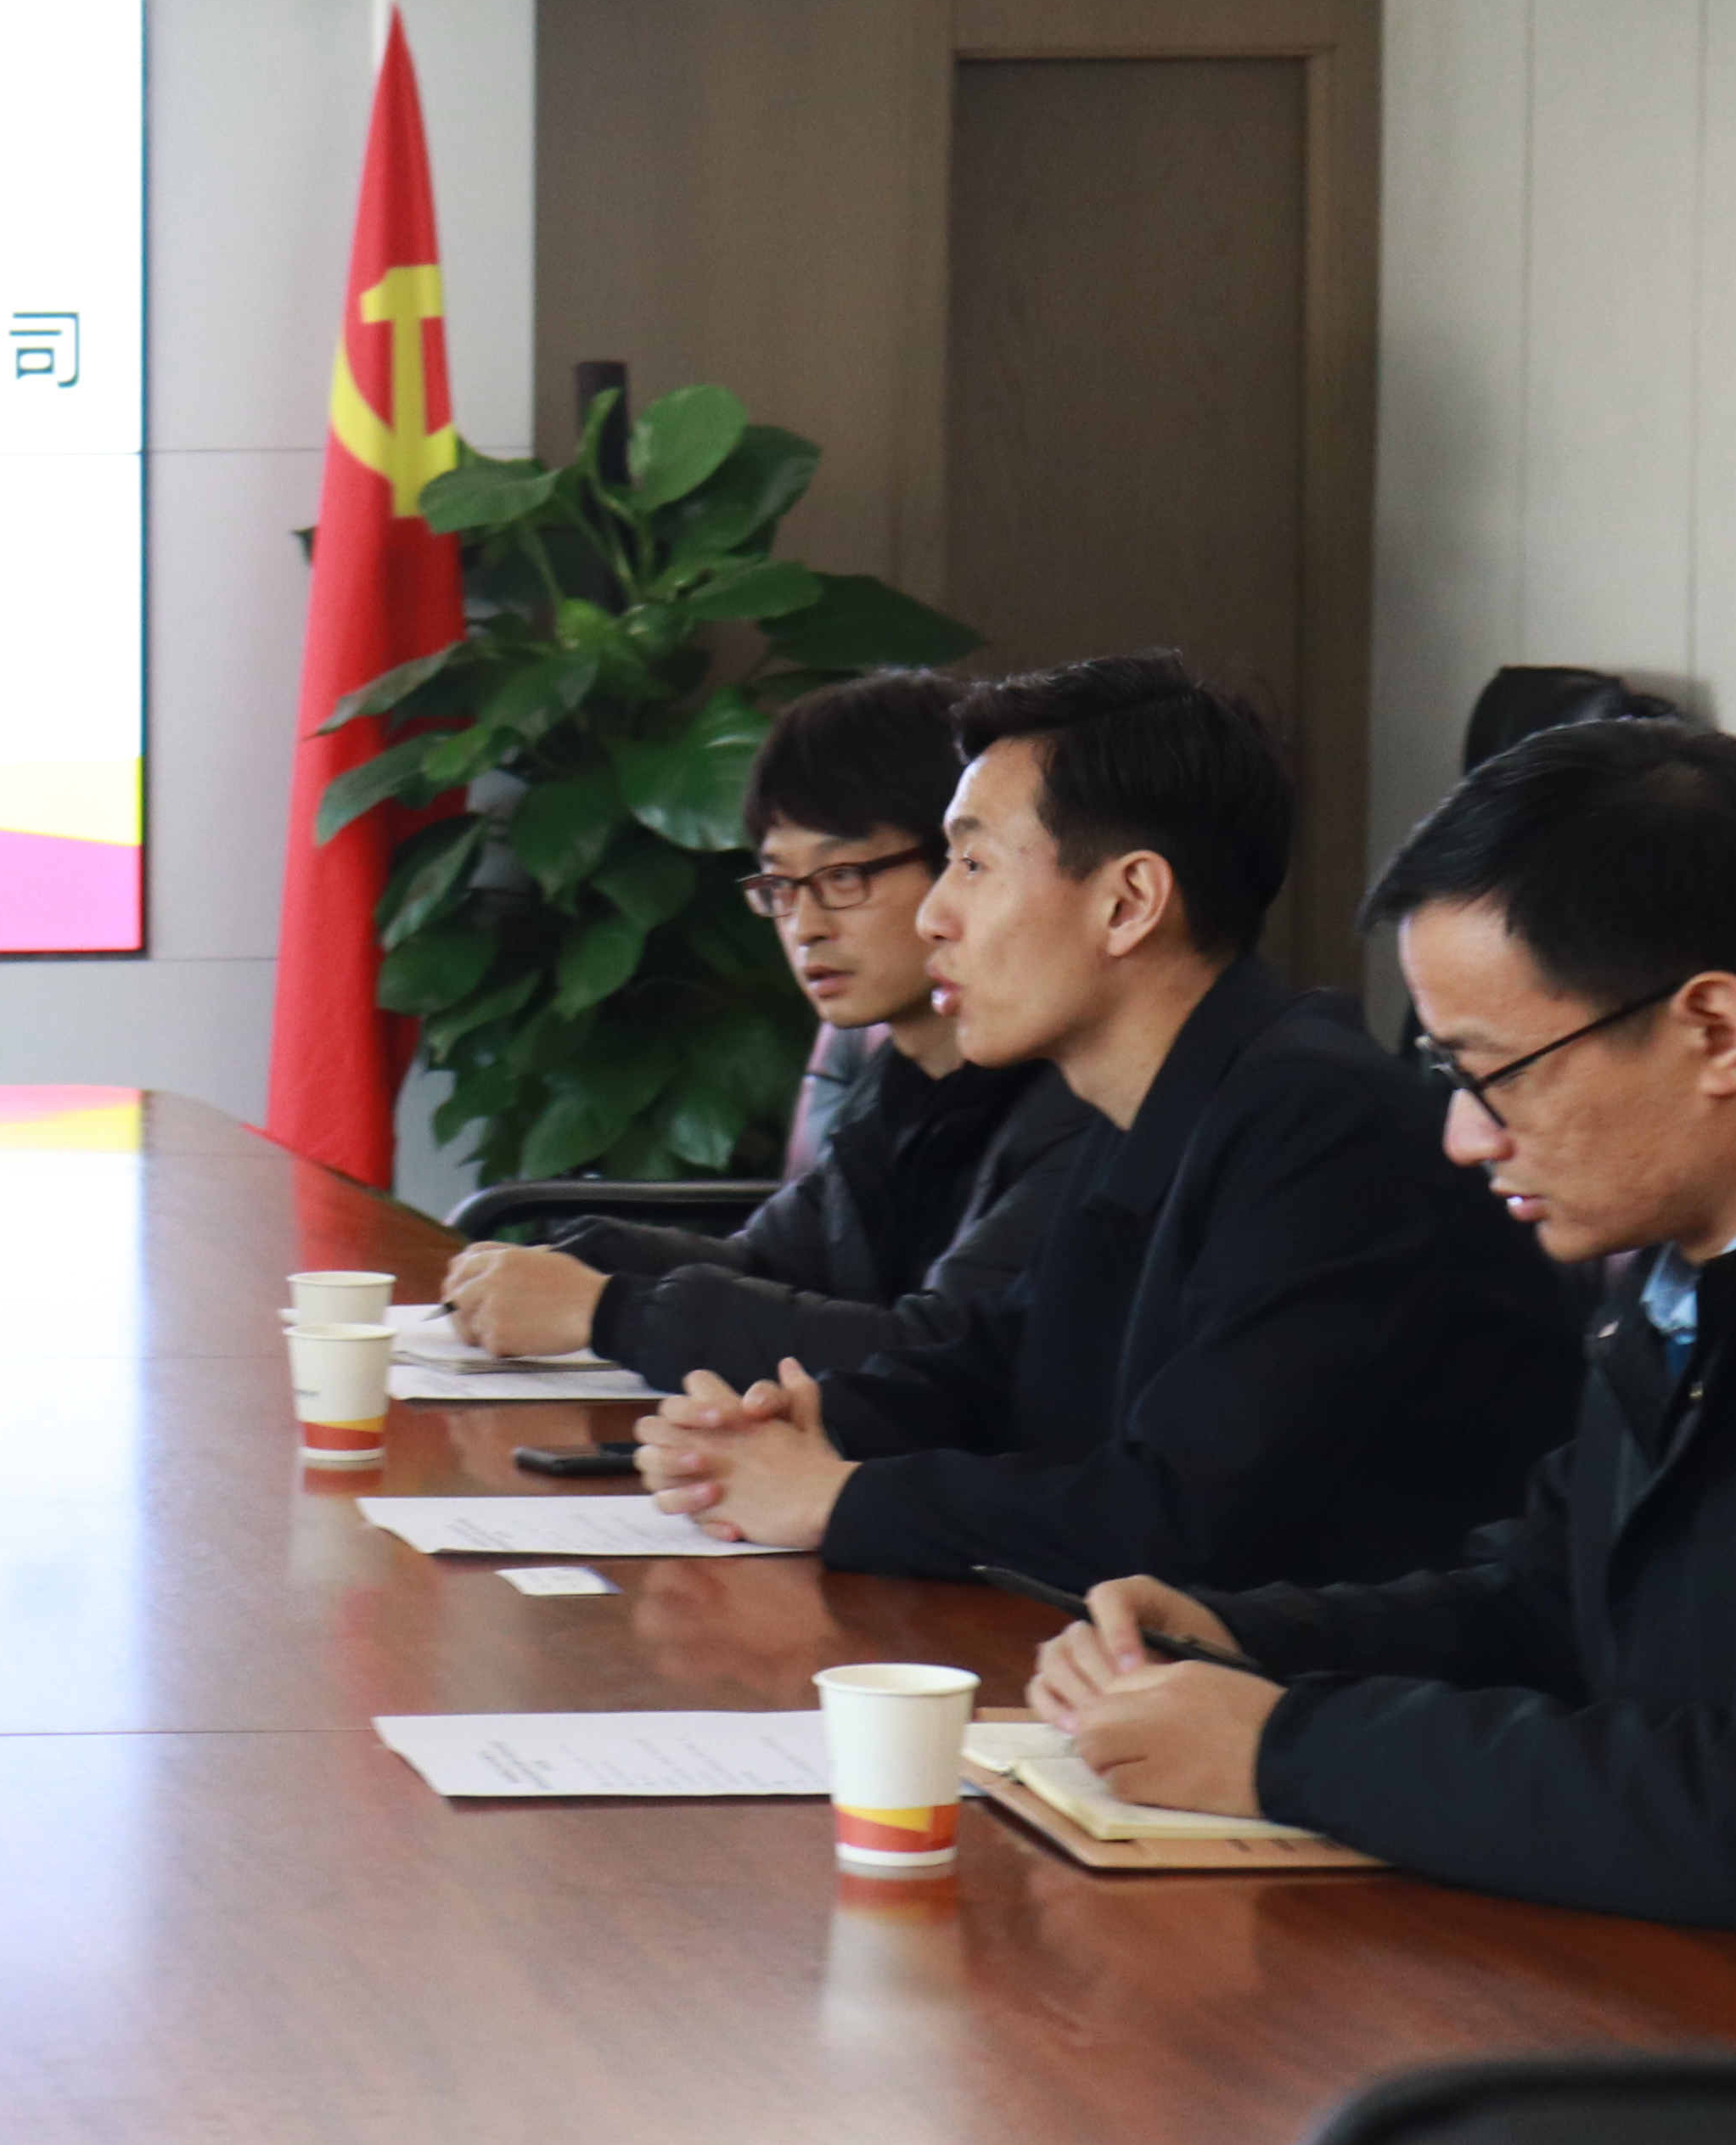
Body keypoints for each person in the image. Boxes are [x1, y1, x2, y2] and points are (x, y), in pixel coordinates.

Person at [1036, 723, 1736, 1938]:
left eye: (1497, 1072)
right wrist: (1243, 1640)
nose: (1464, 1137)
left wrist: (1290, 1748)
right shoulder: (1688, 1264)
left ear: (1718, 1033)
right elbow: (1548, 1607)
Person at [636, 653, 1582, 1589]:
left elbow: (1184, 1514)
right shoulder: (1158, 1096)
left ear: (1129, 902)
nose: (933, 917)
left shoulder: (1319, 1121)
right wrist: (816, 1425)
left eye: (973, 864)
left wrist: (838, 1498)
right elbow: (1001, 1363)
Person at [441, 674, 1100, 1383]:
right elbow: (772, 1263)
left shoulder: (1078, 1097)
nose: (804, 926)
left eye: (841, 876)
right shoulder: (904, 1077)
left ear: (962, 865)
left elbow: (935, 1355)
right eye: (780, 886)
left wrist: (612, 1311)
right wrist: (585, 1259)